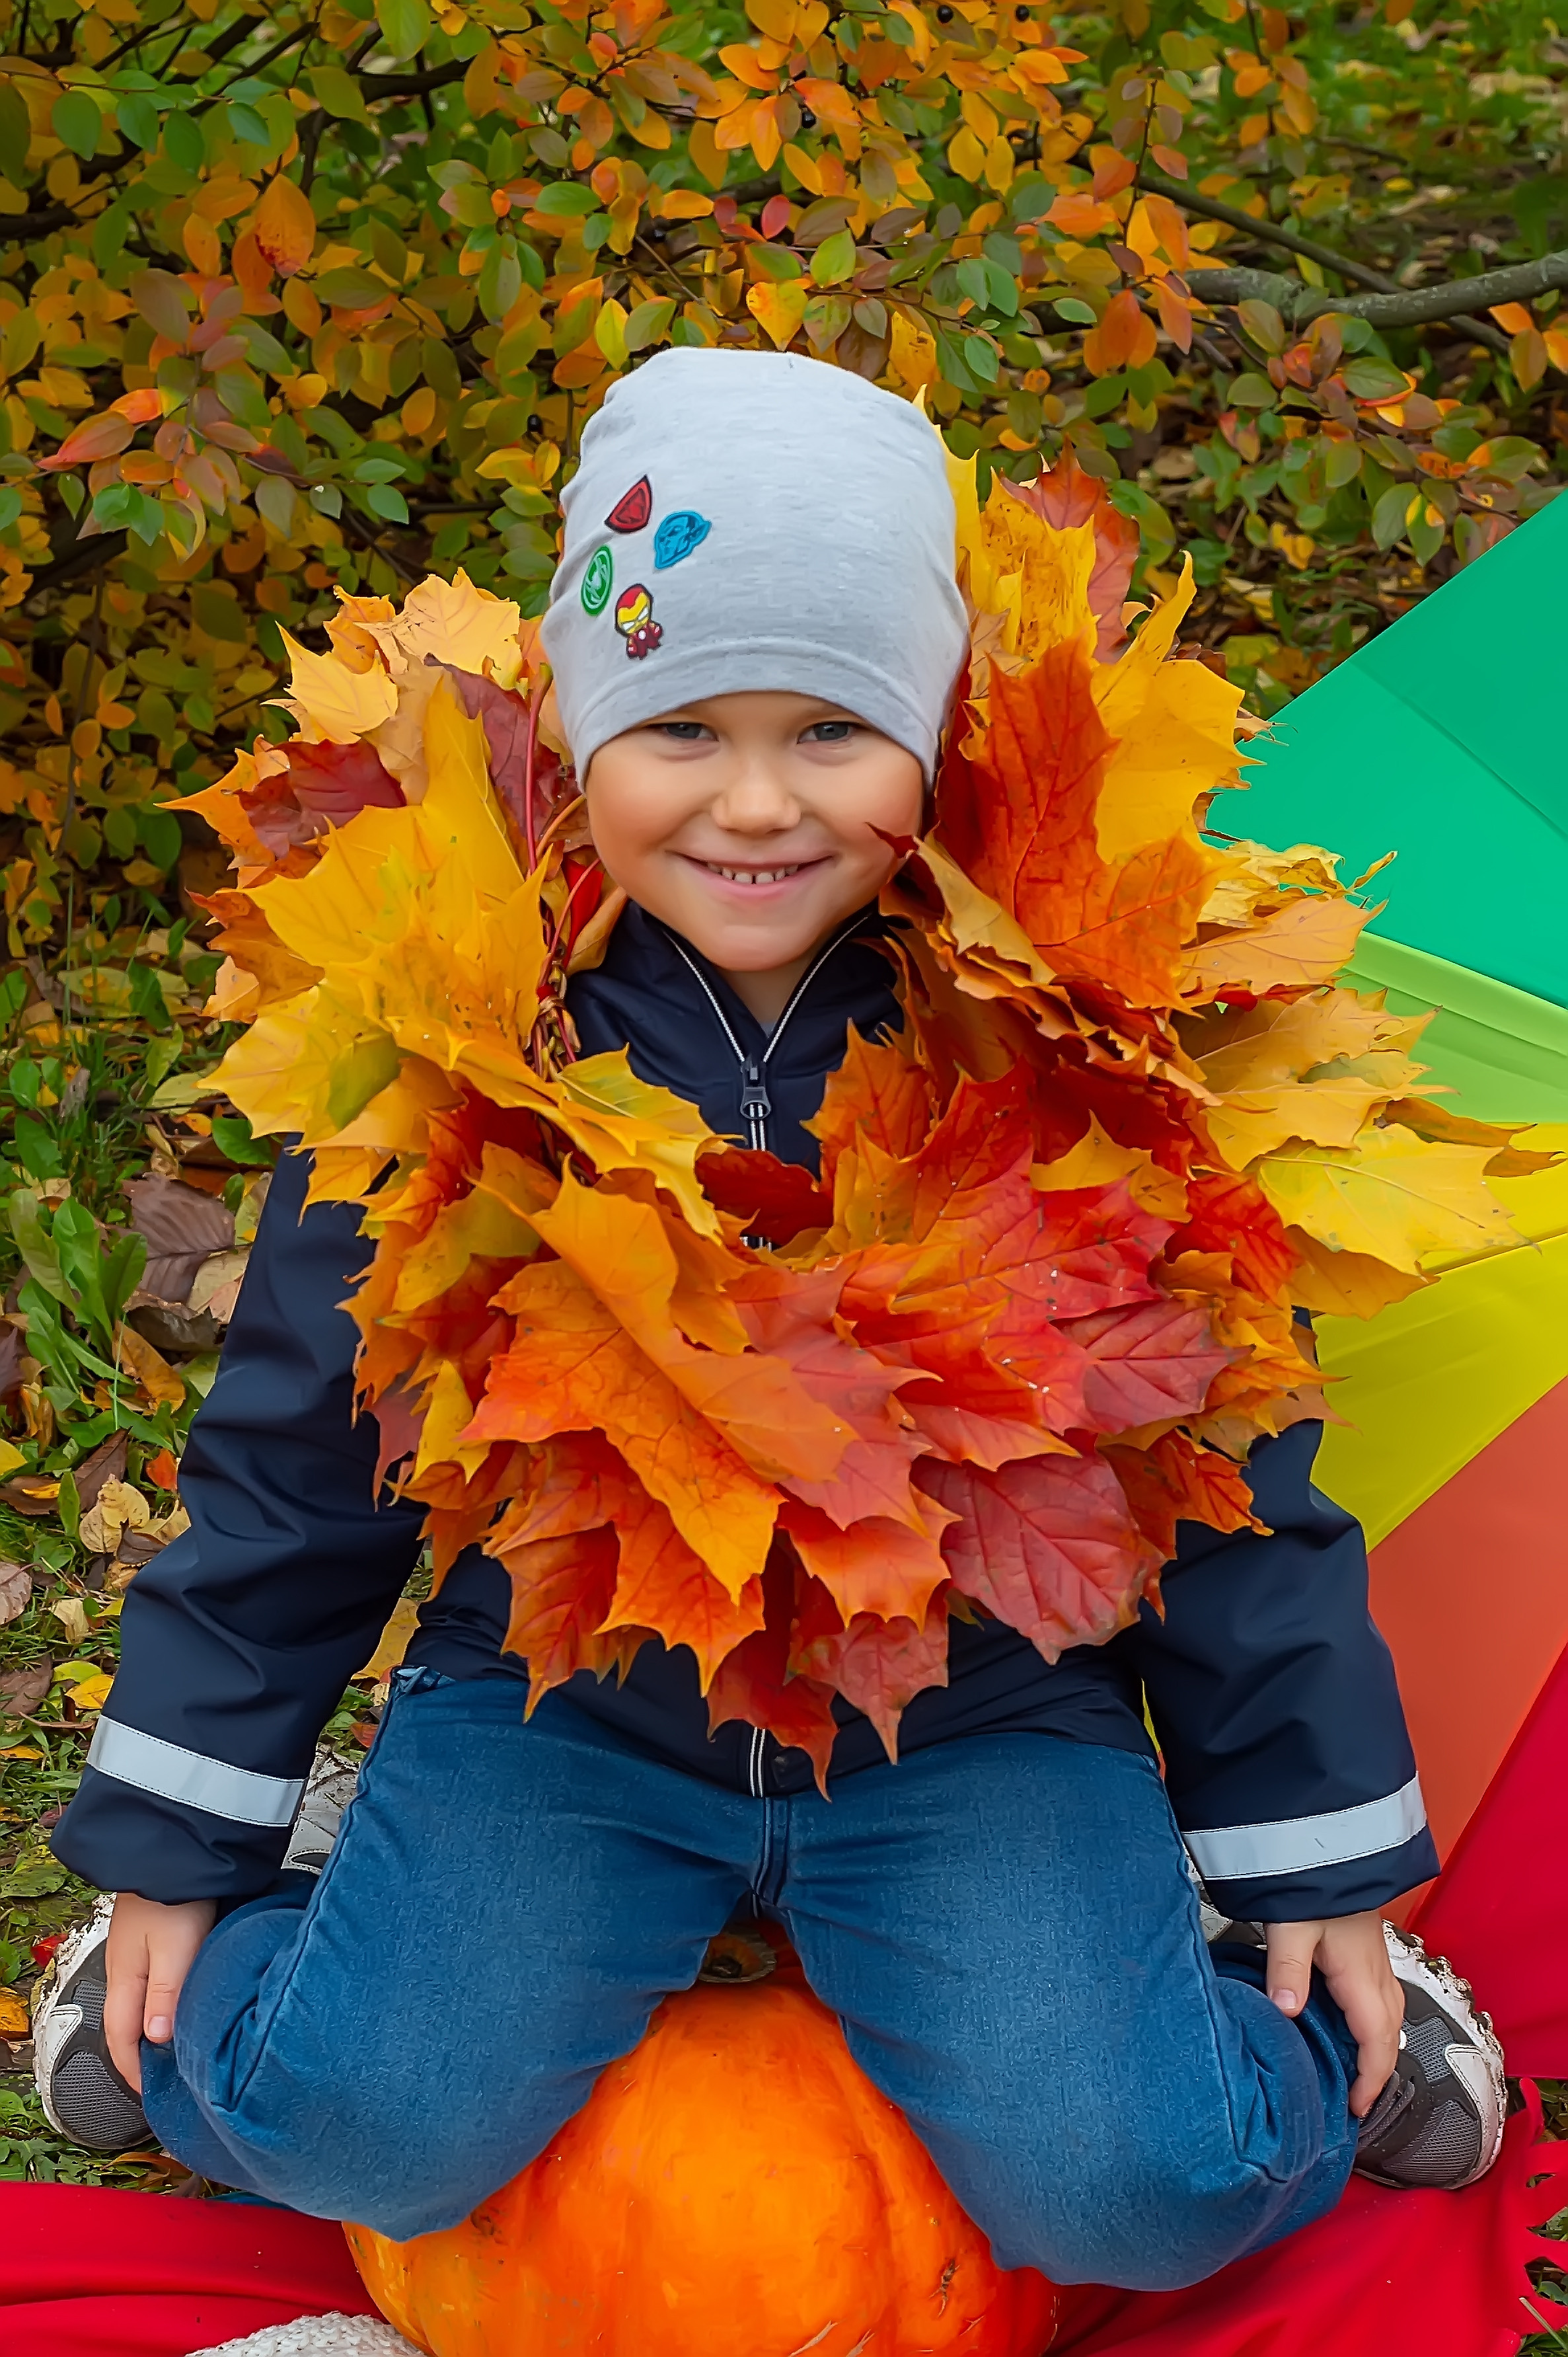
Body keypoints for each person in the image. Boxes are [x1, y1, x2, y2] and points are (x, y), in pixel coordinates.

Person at [36, 351, 1504, 2288]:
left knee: (1149, 2192)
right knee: (355, 2127)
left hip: (975, 1729)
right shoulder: (457, 1030)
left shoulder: (1068, 1036)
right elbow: (305, 1457)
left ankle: (1250, 1976)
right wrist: (173, 1835)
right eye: (681, 729)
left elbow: (1222, 1455)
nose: (752, 803)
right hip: (563, 1713)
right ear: (578, 735)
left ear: (932, 734)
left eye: (831, 730)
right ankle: (263, 1916)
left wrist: (1307, 1850)